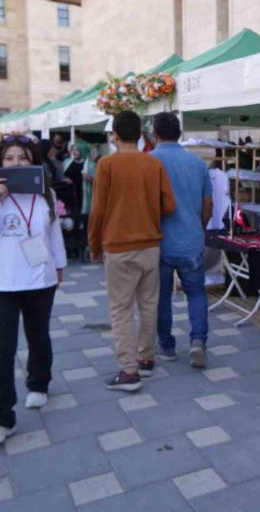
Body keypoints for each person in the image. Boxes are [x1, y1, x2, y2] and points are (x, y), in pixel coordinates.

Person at [0, 135, 67, 445]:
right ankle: (0, 418)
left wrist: (59, 267)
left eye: (22, 158)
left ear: (33, 161)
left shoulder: (44, 192)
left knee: (39, 336)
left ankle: (38, 383)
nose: (16, 164)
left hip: (39, 279)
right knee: (2, 351)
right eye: (9, 159)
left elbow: (53, 233)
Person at [89, 111, 175, 391]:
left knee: (121, 309)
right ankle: (146, 358)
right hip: (150, 244)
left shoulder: (107, 164)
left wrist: (94, 245)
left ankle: (128, 371)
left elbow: (98, 210)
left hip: (118, 246)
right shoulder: (153, 164)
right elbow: (169, 205)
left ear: (114, 134)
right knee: (149, 305)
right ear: (141, 134)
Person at [150, 113, 213, 367]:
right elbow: (208, 202)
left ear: (155, 134)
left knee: (162, 297)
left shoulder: (150, 162)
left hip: (160, 241)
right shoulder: (197, 163)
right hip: (191, 239)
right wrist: (200, 226)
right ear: (180, 133)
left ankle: (166, 346)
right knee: (196, 293)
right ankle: (198, 341)